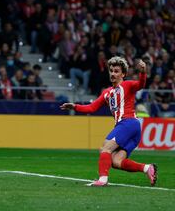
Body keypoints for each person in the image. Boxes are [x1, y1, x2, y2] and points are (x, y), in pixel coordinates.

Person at [60, 57, 157, 187]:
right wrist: (75, 106)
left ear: (123, 74)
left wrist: (143, 72)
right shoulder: (107, 93)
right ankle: (147, 168)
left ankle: (103, 179)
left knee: (105, 148)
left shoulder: (127, 85)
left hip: (128, 123)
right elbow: (92, 107)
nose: (112, 74)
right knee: (116, 161)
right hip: (131, 129)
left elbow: (141, 84)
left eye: (116, 71)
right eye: (111, 71)